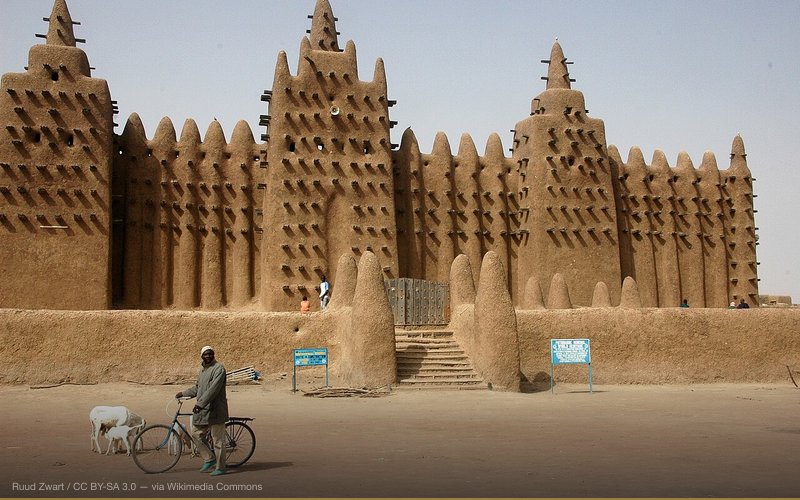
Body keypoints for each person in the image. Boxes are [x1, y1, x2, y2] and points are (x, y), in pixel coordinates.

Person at [175, 346, 228, 476]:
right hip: (204, 410)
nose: (208, 356)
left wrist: (199, 404)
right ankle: (209, 458)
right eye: (205, 354)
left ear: (214, 355)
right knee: (195, 434)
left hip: (216, 410)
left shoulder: (219, 369)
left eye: (210, 354)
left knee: (217, 440)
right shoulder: (202, 370)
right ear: (202, 356)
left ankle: (220, 467)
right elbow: (198, 388)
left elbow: (213, 390)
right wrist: (183, 393)